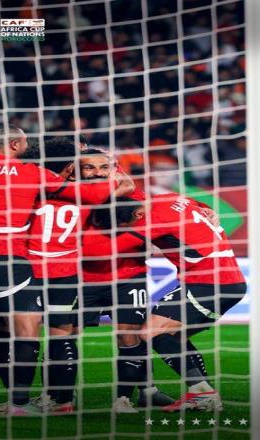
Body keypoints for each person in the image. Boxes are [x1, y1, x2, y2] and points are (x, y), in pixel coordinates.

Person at [0, 124, 114, 415]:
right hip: (14, 262)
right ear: (14, 144)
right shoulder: (35, 175)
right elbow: (98, 197)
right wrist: (113, 172)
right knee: (30, 330)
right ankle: (30, 402)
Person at [92, 194, 247, 411]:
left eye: (127, 225)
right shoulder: (170, 198)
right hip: (227, 281)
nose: (128, 228)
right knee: (174, 336)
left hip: (209, 282)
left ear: (139, 214)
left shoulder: (154, 220)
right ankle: (203, 394)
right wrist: (207, 207)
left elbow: (105, 251)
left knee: (151, 332)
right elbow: (194, 202)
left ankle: (202, 392)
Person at [78, 148, 175, 413]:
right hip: (81, 278)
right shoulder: (70, 196)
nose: (97, 173)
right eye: (89, 167)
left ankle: (132, 396)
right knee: (63, 335)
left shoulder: (135, 196)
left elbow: (155, 216)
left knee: (131, 335)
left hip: (128, 276)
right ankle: (58, 396)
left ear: (114, 169)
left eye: (104, 167)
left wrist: (205, 209)